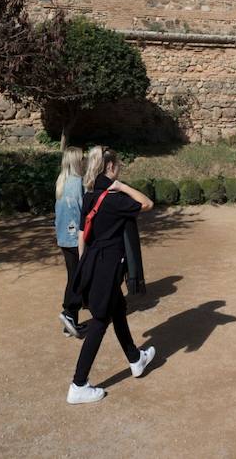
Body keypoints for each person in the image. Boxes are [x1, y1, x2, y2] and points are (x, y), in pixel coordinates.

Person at [66, 146, 155, 405]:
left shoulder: (91, 196)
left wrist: (84, 267)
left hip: (93, 261)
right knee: (100, 321)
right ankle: (78, 384)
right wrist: (122, 186)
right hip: (108, 265)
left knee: (118, 307)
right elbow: (147, 203)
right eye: (118, 166)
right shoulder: (113, 198)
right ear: (110, 168)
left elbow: (82, 236)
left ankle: (135, 359)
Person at [55, 146, 88, 337]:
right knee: (78, 277)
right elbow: (84, 211)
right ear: (76, 161)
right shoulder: (78, 183)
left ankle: (71, 322)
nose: (84, 160)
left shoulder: (61, 181)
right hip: (76, 238)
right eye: (82, 158)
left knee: (73, 275)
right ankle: (68, 312)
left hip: (63, 238)